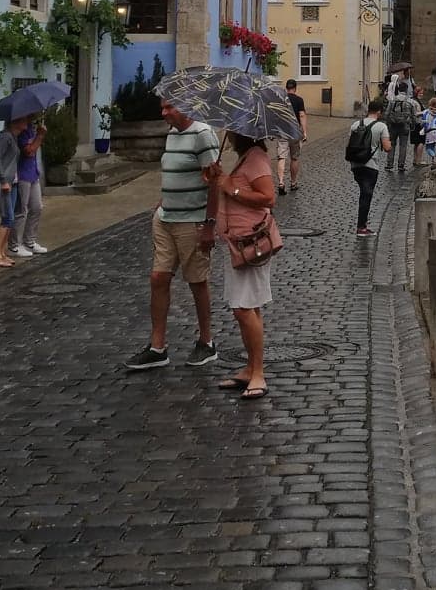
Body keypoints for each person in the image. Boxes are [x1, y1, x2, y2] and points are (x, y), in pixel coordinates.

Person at [126, 99, 222, 370]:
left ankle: (207, 342)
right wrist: (163, 198)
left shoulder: (203, 135)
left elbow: (214, 183)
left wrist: (210, 224)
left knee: (196, 281)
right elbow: (173, 171)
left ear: (187, 108)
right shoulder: (172, 134)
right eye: (162, 107)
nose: (163, 112)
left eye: (169, 107)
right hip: (166, 218)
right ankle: (158, 347)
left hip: (192, 221)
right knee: (158, 277)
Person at [216, 131, 279, 400]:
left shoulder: (256, 158)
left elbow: (268, 197)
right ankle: (250, 367)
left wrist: (231, 187)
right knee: (247, 307)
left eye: (230, 130)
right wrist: (217, 181)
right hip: (239, 243)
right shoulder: (245, 158)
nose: (226, 135)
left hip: (252, 243)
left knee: (244, 309)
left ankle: (258, 374)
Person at [345, 98, 392, 237]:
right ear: (379, 112)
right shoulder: (381, 126)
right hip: (370, 165)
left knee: (363, 192)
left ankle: (362, 225)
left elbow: (349, 145)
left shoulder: (355, 125)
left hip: (355, 164)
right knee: (366, 195)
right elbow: (387, 147)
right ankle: (361, 227)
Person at [0, 117, 27, 269]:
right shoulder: (5, 137)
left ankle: (2, 253)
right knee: (7, 218)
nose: (27, 123)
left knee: (10, 219)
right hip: (6, 184)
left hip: (13, 182)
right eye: (24, 120)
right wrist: (3, 180)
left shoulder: (14, 138)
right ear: (15, 122)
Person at [8, 115, 47, 258]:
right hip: (22, 174)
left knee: (37, 207)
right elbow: (29, 152)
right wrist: (40, 136)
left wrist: (38, 134)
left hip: (33, 173)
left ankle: (29, 241)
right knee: (21, 210)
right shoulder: (21, 132)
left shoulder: (31, 128)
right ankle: (14, 246)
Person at [271, 78, 307, 195]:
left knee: (282, 157)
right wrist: (304, 132)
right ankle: (293, 182)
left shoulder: (281, 99)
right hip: (295, 131)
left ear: (286, 88)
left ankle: (281, 182)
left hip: (282, 131)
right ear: (295, 88)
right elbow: (302, 115)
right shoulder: (299, 100)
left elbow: (276, 115)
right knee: (294, 158)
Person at [384, 83, 419, 172]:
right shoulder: (410, 101)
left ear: (398, 90)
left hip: (393, 125)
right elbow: (414, 115)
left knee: (392, 144)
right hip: (405, 126)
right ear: (406, 90)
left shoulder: (392, 100)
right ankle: (401, 165)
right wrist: (413, 125)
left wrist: (387, 124)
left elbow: (387, 113)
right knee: (403, 146)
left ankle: (389, 164)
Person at [418, 96, 436, 165]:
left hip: (430, 131)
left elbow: (424, 122)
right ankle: (434, 161)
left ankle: (434, 157)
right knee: (433, 146)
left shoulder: (427, 112)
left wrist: (424, 129)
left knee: (428, 148)